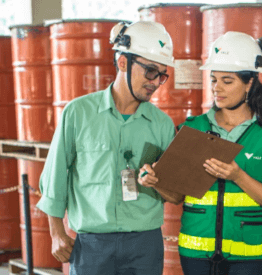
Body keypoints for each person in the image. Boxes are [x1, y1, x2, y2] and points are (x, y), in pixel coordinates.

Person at [36, 20, 181, 275]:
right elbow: (56, 175)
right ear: (123, 62)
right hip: (92, 244)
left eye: (161, 74)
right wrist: (56, 232)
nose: (156, 82)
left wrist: (158, 179)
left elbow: (175, 192)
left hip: (145, 244)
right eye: (150, 71)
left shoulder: (163, 125)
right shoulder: (78, 113)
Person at [177, 32, 262, 275]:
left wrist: (238, 176)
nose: (216, 88)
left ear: (249, 83)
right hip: (195, 254)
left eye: (227, 81)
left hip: (252, 257)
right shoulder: (191, 128)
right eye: (213, 79)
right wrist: (153, 178)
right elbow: (175, 194)